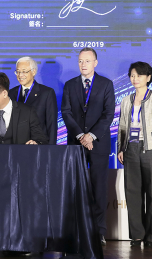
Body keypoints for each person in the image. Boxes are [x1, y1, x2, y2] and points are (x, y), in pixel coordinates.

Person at [61, 47, 115, 246]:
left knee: (99, 188)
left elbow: (108, 114)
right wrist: (80, 135)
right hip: (76, 143)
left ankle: (99, 230)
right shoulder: (70, 85)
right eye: (80, 61)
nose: (83, 64)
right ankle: (76, 229)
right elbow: (66, 113)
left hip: (98, 144)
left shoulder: (106, 84)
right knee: (75, 187)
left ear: (96, 63)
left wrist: (91, 136)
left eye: (87, 61)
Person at [117, 61, 152, 248]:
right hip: (130, 149)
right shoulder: (125, 100)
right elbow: (122, 127)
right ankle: (137, 235)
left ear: (148, 77)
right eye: (132, 75)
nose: (134, 79)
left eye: (138, 75)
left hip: (151, 149)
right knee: (132, 193)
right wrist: (120, 149)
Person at [9, 57, 58, 144]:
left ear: (34, 71)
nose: (20, 75)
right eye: (18, 71)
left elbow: (52, 125)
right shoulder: (11, 93)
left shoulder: (47, 93)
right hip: (16, 146)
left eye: (24, 71)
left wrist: (51, 149)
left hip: (38, 146)